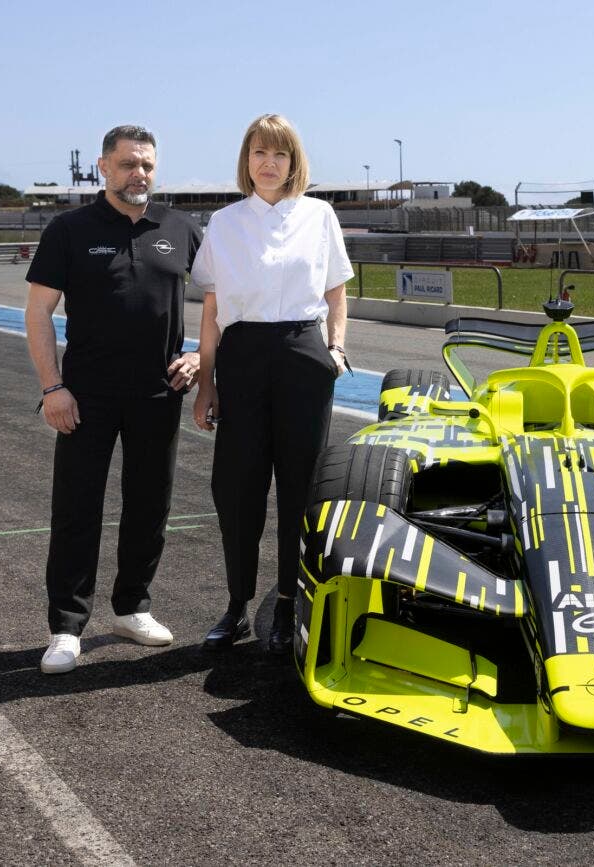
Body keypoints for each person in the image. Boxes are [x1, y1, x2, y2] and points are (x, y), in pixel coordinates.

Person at [24, 125, 203, 674]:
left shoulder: (180, 228)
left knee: (150, 506)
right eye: (127, 164)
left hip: (159, 393)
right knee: (77, 509)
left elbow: (225, 302)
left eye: (147, 164)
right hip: (85, 397)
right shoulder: (70, 229)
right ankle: (66, 627)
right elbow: (38, 314)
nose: (139, 174)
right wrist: (52, 388)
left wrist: (199, 357)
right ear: (104, 167)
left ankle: (132, 608)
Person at [191, 114, 353, 654]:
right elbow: (212, 309)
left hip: (303, 356)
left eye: (280, 154)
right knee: (237, 488)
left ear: (293, 162)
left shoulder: (319, 214)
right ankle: (237, 604)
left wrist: (334, 348)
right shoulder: (224, 221)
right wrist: (206, 382)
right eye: (260, 152)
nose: (269, 163)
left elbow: (335, 293)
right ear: (247, 159)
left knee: (300, 488)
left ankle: (288, 602)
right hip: (242, 356)